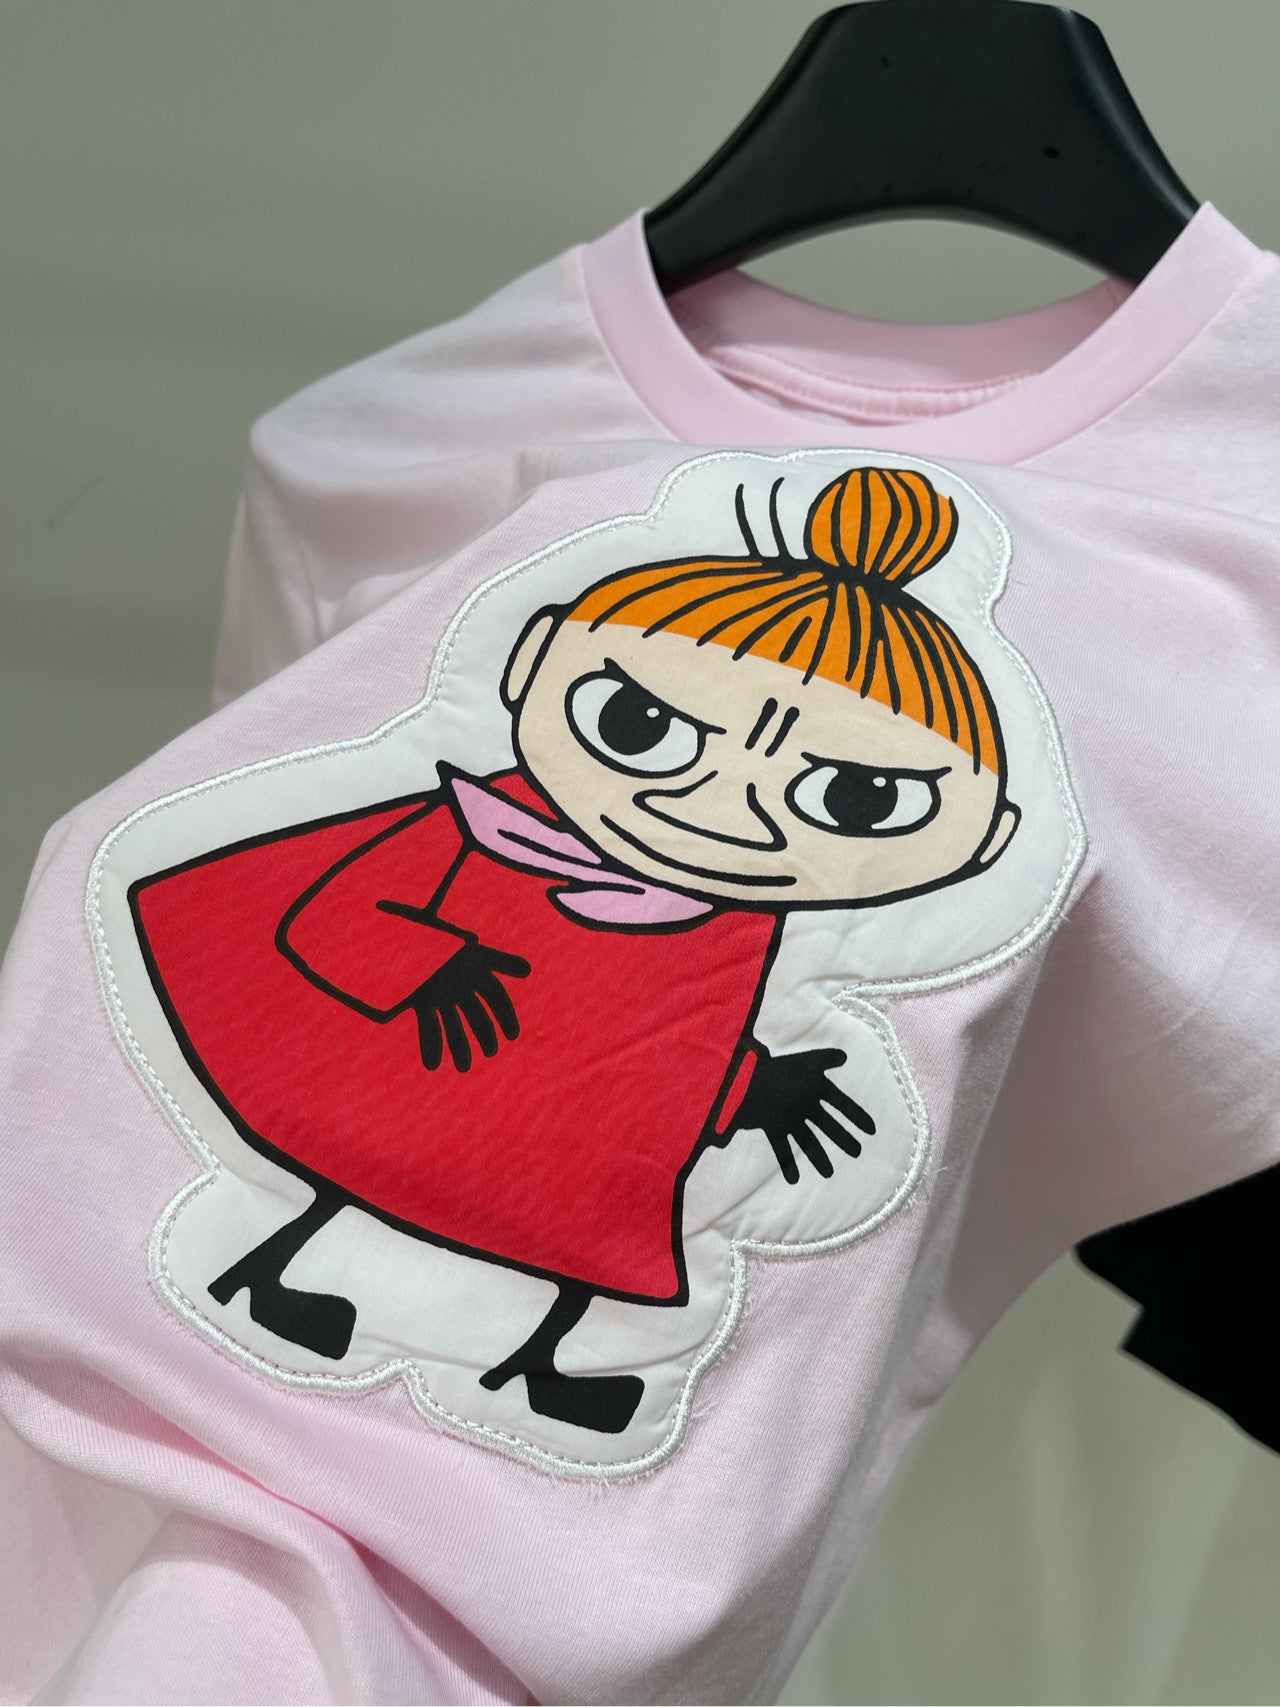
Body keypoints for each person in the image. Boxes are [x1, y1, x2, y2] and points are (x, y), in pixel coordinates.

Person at [129, 463, 1020, 1436]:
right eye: (643, 725)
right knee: (353, 1170)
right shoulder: (486, 825)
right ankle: (268, 1271)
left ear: (983, 839)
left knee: (578, 1242)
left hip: (571, 1151)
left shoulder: (736, 919)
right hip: (420, 1086)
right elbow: (331, 912)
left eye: (854, 796)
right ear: (532, 663)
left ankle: (535, 1365)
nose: (719, 810)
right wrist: (422, 962)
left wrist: (750, 1087)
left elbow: (679, 1042)